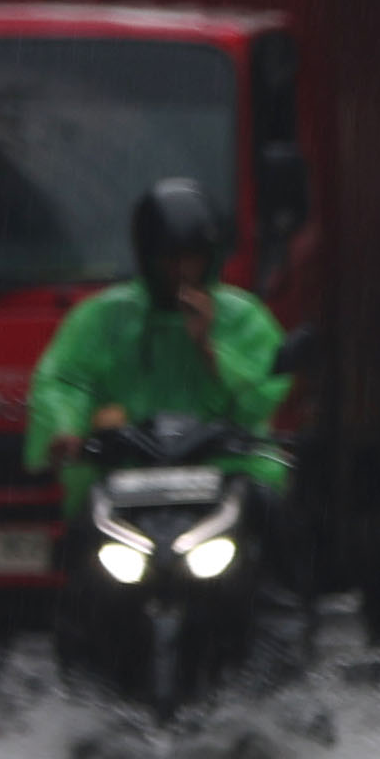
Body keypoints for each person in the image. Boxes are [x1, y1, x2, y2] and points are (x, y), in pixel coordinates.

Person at [24, 176, 290, 521]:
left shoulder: (243, 316)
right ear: (147, 259)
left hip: (223, 466)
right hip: (125, 467)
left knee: (273, 503)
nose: (181, 272)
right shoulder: (105, 316)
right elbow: (66, 380)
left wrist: (207, 347)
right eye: (169, 259)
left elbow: (263, 395)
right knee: (83, 515)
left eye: (191, 259)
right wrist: (66, 429)